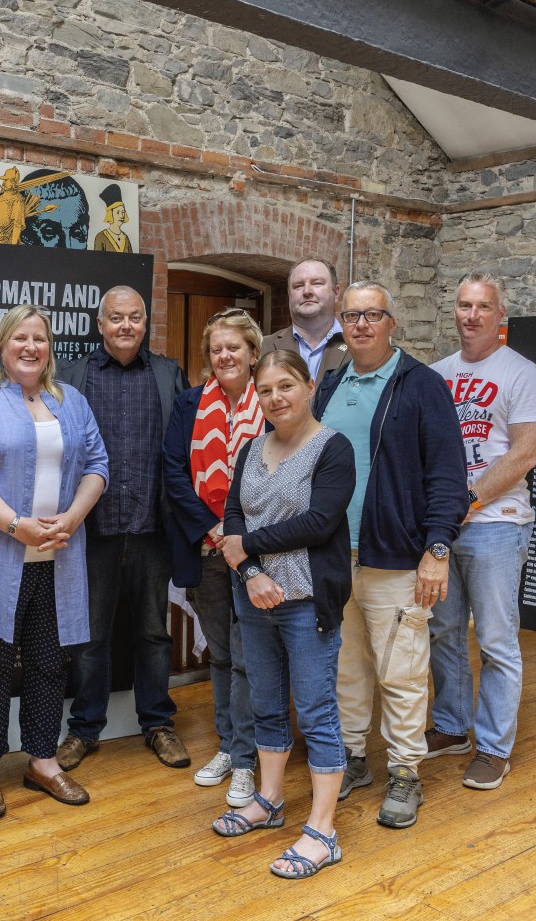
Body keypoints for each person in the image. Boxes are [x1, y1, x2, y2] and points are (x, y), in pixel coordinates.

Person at [0, 304, 108, 820]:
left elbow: (97, 465)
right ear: (2, 345)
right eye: (20, 338)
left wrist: (74, 516)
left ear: (50, 348)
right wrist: (18, 525)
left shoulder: (71, 401)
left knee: (49, 662)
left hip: (57, 556)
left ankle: (42, 761)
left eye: (39, 338)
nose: (31, 347)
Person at [313, 281, 467, 829]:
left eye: (372, 315)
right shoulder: (330, 385)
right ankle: (354, 758)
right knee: (346, 668)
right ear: (341, 324)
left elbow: (448, 475)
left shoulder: (421, 385)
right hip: (335, 556)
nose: (361, 325)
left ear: (391, 324)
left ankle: (405, 773)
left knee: (401, 671)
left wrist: (437, 549)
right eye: (351, 316)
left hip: (396, 558)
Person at [214, 350, 354, 879]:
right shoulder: (251, 448)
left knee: (316, 713)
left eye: (286, 386)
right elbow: (232, 511)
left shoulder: (333, 448)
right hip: (254, 598)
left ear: (309, 386)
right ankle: (270, 801)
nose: (275, 398)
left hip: (306, 601)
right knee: (267, 703)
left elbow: (319, 523)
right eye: (266, 390)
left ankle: (323, 831)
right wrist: (250, 572)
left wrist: (245, 546)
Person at [55, 286, 191, 773]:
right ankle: (84, 728)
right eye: (116, 318)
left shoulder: (168, 373)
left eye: (135, 317)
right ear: (100, 324)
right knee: (90, 636)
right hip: (92, 531)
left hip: (152, 528)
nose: (126, 326)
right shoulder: (71, 376)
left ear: (145, 323)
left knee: (153, 632)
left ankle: (157, 723)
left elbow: (185, 446)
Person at [426, 272, 536, 790]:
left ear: (501, 315)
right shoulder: (436, 375)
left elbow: (523, 455)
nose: (471, 315)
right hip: (444, 528)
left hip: (497, 524)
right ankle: (452, 726)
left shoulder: (523, 374)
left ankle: (494, 747)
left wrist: (466, 502)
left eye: (483, 306)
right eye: (464, 305)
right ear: (453, 311)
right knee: (443, 631)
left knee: (496, 640)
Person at [163, 308, 263, 807]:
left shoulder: (272, 401)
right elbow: (174, 473)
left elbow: (288, 472)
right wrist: (215, 527)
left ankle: (247, 758)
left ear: (253, 353)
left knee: (249, 657)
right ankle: (228, 745)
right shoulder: (188, 404)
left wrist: (241, 533)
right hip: (207, 549)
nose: (225, 356)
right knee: (221, 656)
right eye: (216, 348)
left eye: (234, 347)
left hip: (258, 552)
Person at [261, 259, 350, 381]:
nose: (307, 291)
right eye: (298, 286)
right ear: (289, 295)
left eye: (317, 283)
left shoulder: (358, 346)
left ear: (336, 292)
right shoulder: (262, 347)